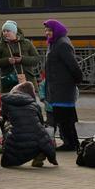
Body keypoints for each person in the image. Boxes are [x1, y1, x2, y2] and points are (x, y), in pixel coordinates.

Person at [39, 18, 83, 151]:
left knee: (65, 119)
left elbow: (73, 65)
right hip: (57, 88)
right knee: (62, 118)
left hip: (63, 88)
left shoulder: (62, 44)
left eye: (50, 30)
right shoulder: (54, 43)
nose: (47, 32)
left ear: (56, 30)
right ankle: (70, 142)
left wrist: (76, 81)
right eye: (46, 30)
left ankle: (71, 143)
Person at [0, 80, 57, 168]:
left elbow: (3, 118)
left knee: (7, 129)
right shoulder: (34, 104)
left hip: (16, 140)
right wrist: (52, 157)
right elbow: (41, 122)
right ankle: (39, 156)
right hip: (37, 140)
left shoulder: (7, 102)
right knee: (42, 136)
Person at [0, 21, 40, 93]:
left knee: (29, 101)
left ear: (14, 32)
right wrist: (7, 61)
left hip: (27, 79)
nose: (5, 33)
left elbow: (37, 58)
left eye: (8, 31)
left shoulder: (26, 43)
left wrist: (22, 59)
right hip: (9, 81)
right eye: (3, 31)